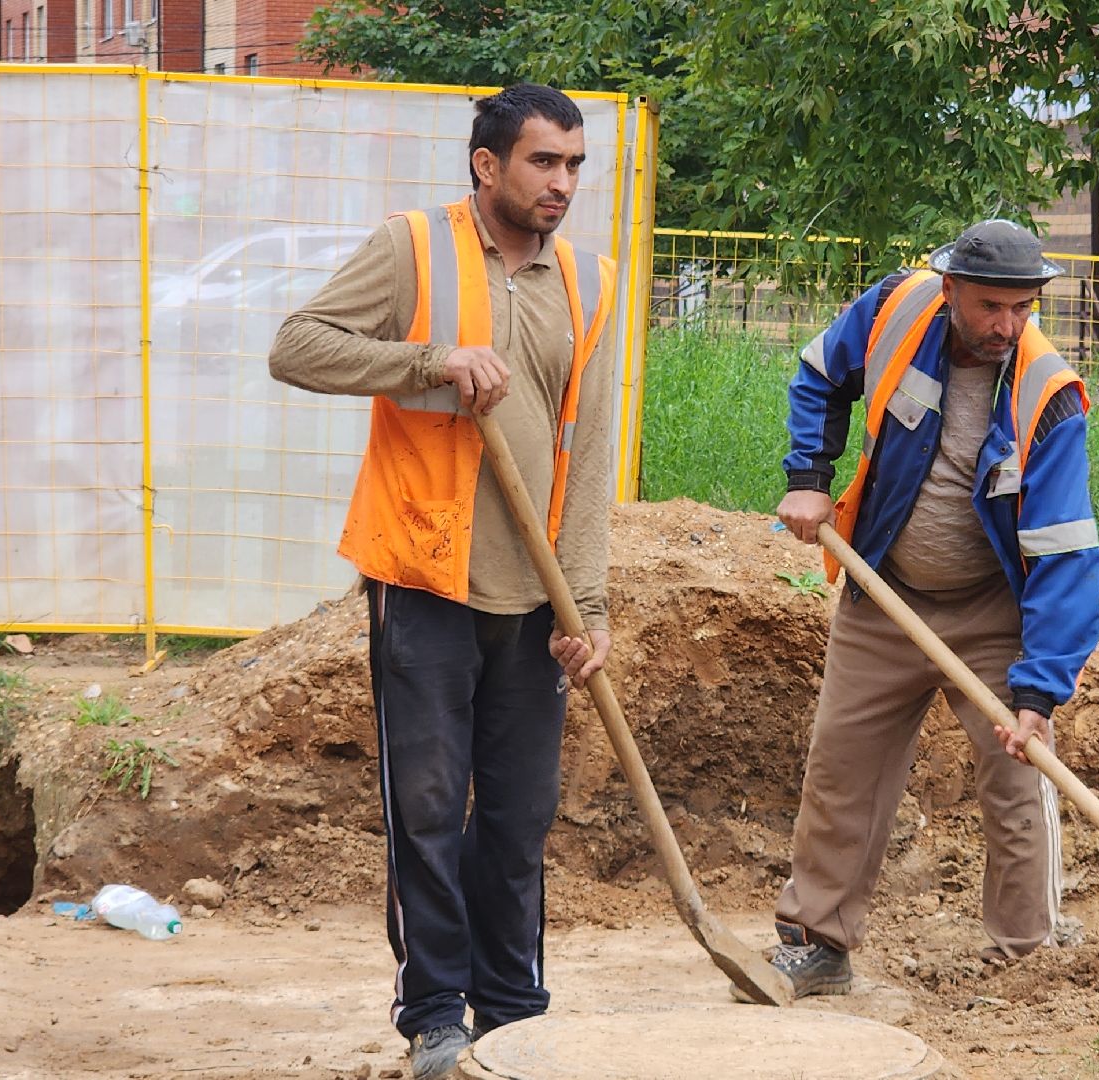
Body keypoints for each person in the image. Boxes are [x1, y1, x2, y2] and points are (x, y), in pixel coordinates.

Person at [266, 83, 619, 1080]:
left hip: (532, 592)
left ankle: (512, 1010)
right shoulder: (413, 247)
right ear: (488, 165)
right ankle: (433, 1012)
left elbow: (589, 456)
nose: (563, 183)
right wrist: (429, 361)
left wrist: (584, 605)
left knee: (517, 817)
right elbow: (297, 347)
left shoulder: (588, 283)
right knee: (426, 806)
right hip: (422, 576)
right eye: (545, 162)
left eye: (575, 166)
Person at [768, 218, 1099, 998]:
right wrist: (809, 473)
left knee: (1017, 776)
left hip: (992, 612)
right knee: (841, 770)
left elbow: (1064, 551)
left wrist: (1036, 691)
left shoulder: (1048, 398)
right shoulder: (894, 310)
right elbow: (820, 373)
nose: (1005, 326)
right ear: (949, 289)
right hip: (884, 591)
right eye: (990, 306)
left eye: (1022, 309)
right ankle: (818, 943)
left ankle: (1027, 956)